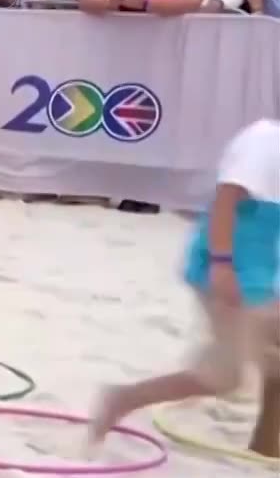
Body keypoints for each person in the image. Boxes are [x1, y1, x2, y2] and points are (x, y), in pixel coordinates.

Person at [87, 119, 279, 459]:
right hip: (230, 272)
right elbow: (226, 201)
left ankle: (265, 446)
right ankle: (122, 398)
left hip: (263, 274)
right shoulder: (265, 140)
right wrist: (221, 264)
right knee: (223, 378)